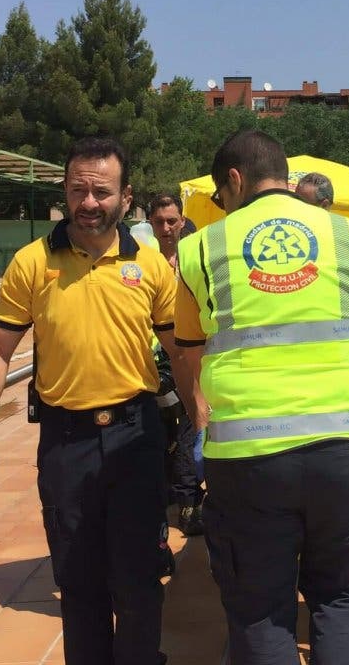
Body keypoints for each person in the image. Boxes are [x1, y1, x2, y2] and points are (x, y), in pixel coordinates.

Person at [0, 137, 191, 665]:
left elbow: (181, 351)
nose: (89, 202)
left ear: (125, 198)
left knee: (137, 582)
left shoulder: (151, 267)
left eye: (101, 192)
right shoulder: (31, 263)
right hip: (66, 442)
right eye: (78, 190)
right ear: (65, 192)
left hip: (137, 436)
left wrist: (203, 420)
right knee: (79, 581)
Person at [176, 129, 349, 664]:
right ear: (286, 176)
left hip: (248, 456)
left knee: (259, 608)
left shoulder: (201, 247)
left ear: (233, 180)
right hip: (347, 446)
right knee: (345, 596)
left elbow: (190, 352)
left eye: (220, 197)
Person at [147, 192, 205, 536]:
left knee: (189, 429)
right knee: (165, 436)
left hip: (193, 358)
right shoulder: (148, 266)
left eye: (172, 221)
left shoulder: (194, 263)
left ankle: (187, 504)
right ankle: (174, 501)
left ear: (182, 221)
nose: (166, 228)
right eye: (159, 222)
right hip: (157, 364)